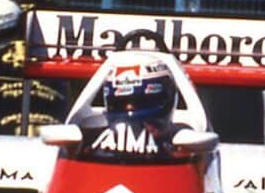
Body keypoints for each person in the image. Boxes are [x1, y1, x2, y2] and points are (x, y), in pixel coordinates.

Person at [70, 57, 212, 162]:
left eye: (139, 102)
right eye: (121, 103)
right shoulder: (89, 138)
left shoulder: (181, 139)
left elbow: (205, 143)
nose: (130, 109)